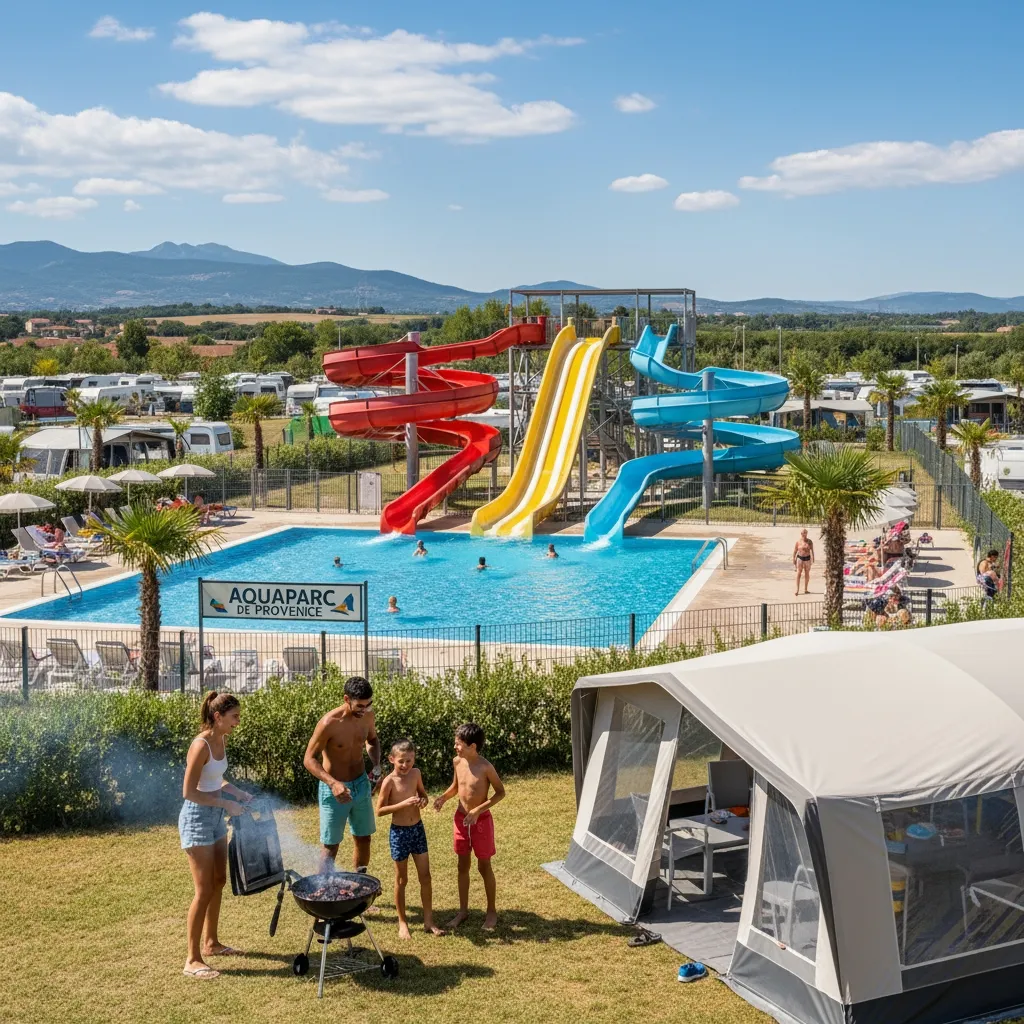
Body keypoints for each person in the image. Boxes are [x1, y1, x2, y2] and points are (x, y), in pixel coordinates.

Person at [179, 691, 252, 980]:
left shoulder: (222, 739)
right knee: (204, 889)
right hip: (197, 818)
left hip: (216, 818)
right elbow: (189, 792)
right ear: (218, 716)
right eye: (234, 716)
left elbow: (215, 779)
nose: (238, 722)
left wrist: (236, 792)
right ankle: (192, 959)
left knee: (219, 880)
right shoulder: (201, 745)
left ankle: (211, 943)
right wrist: (225, 803)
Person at [303, 677, 382, 872]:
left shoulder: (368, 716)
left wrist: (377, 765)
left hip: (361, 784)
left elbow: (372, 740)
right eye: (360, 705)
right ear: (347, 699)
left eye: (369, 704)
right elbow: (309, 759)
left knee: (364, 838)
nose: (365, 709)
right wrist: (333, 784)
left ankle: (361, 882)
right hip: (333, 790)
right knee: (331, 845)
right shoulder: (329, 723)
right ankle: (323, 889)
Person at [433, 722, 505, 931]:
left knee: (484, 866)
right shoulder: (457, 761)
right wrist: (444, 798)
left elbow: (500, 793)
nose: (455, 747)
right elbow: (457, 787)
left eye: (459, 744)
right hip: (461, 820)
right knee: (462, 866)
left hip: (481, 822)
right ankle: (463, 911)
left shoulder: (485, 767)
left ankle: (491, 911)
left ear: (472, 746)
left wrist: (478, 811)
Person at [375, 739, 444, 938]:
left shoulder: (416, 774)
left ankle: (428, 921)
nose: (405, 765)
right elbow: (379, 810)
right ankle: (402, 922)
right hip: (399, 833)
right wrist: (403, 804)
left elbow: (423, 795)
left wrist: (423, 801)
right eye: (401, 761)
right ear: (392, 759)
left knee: (426, 877)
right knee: (401, 879)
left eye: (409, 761)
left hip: (417, 830)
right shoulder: (389, 781)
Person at [792, 529, 814, 595]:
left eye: (805, 533)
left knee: (807, 573)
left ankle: (806, 589)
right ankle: (797, 590)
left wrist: (813, 558)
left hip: (807, 559)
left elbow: (812, 550)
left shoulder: (810, 541)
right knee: (799, 573)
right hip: (800, 558)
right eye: (803, 533)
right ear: (801, 534)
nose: (804, 534)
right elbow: (795, 551)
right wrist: (793, 559)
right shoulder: (798, 542)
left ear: (807, 534)